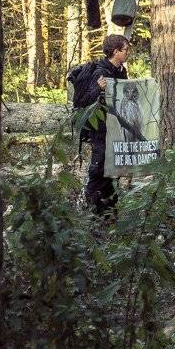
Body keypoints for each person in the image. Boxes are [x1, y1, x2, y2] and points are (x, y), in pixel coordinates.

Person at [71, 33, 130, 216]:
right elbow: (87, 101)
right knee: (99, 169)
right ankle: (90, 210)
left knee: (112, 168)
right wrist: (98, 88)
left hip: (113, 128)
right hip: (99, 129)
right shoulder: (100, 72)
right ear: (115, 51)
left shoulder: (120, 71)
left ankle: (109, 212)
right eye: (125, 50)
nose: (128, 53)